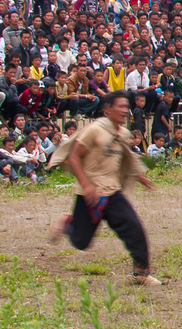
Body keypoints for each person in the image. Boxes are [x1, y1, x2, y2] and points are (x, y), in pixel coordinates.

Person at [48, 90, 161, 286]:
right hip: (89, 193)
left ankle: (140, 273)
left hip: (112, 192)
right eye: (121, 106)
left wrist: (140, 177)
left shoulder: (122, 134)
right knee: (81, 242)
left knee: (134, 229)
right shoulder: (94, 130)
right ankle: (67, 223)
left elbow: (124, 158)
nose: (125, 111)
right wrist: (86, 185)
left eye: (127, 107)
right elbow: (74, 157)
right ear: (107, 109)